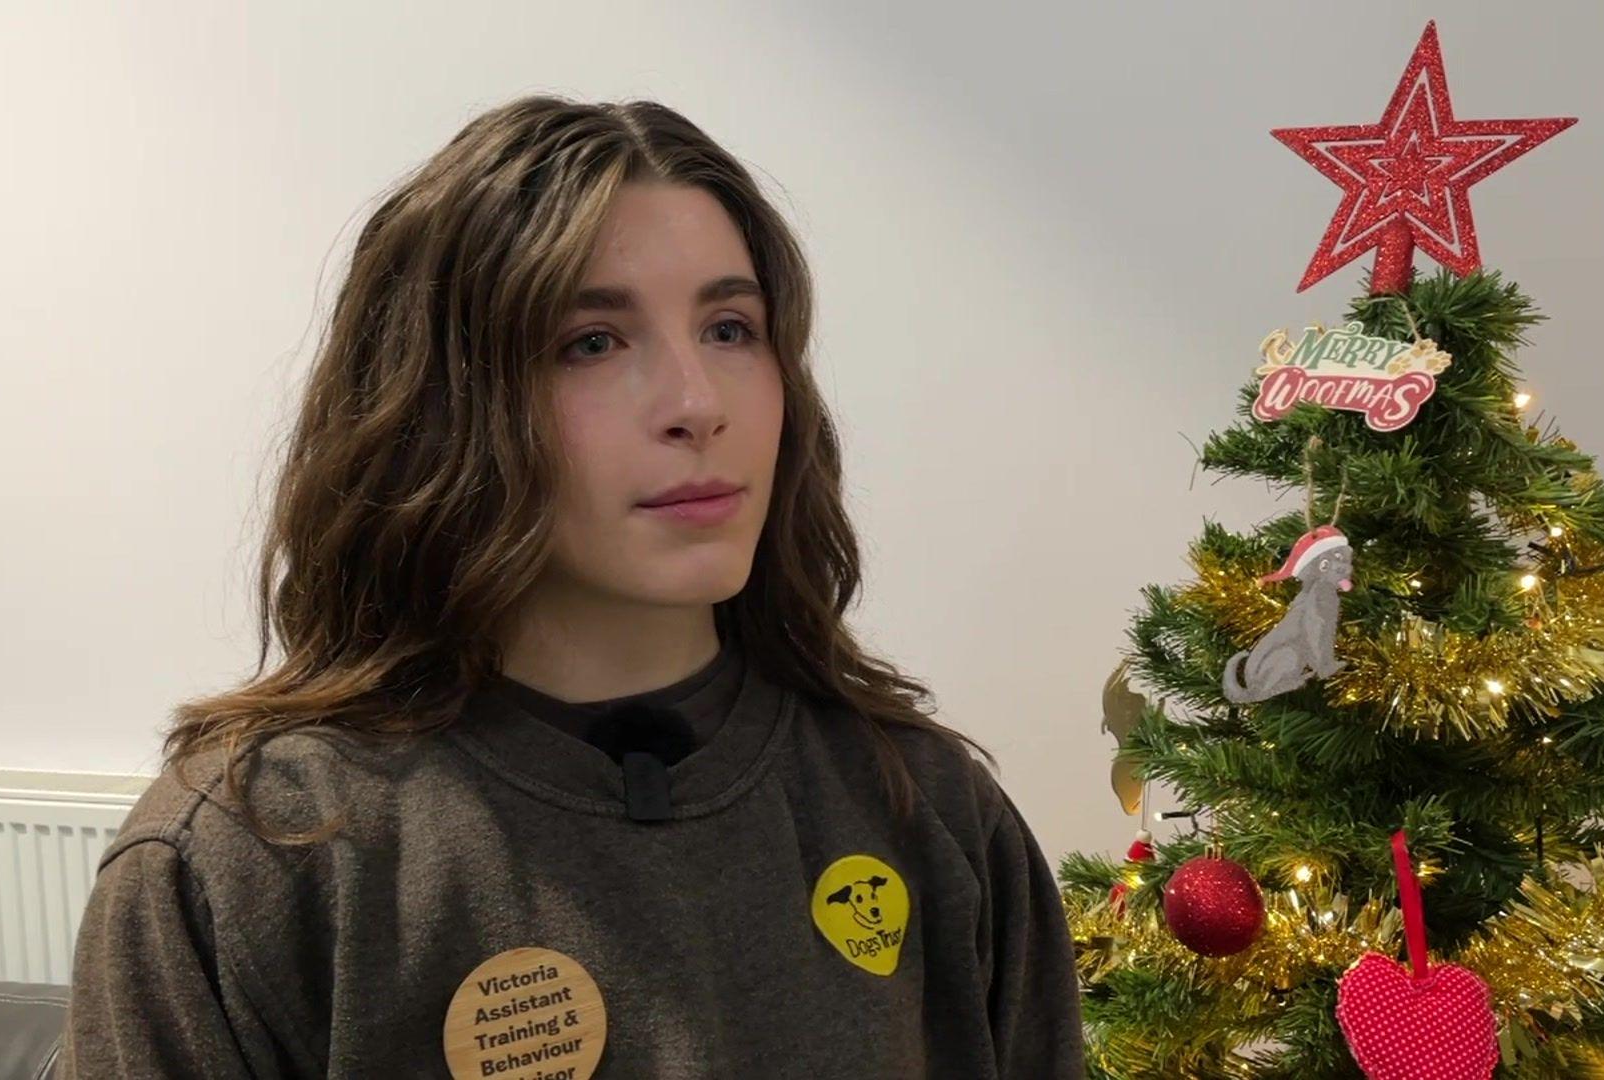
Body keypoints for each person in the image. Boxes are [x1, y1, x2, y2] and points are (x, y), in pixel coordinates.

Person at [57, 96, 1085, 1079]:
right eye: (591, 342)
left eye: (731, 329)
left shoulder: (931, 810)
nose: (696, 403)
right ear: (439, 406)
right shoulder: (251, 857)